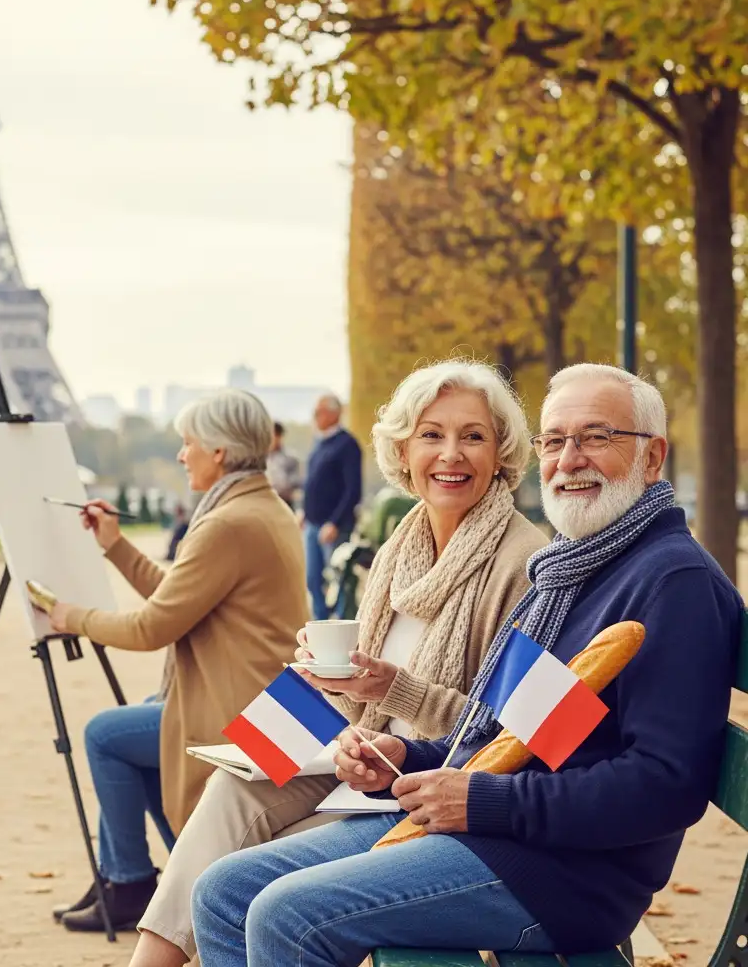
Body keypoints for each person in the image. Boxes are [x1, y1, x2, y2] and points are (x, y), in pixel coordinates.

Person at [190, 363, 743, 966]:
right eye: (554, 440)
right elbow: (514, 738)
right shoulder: (568, 569)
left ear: (653, 457)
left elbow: (665, 788)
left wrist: (479, 800)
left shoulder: (671, 582)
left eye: (596, 436)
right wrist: (411, 755)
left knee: (284, 913)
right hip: (486, 827)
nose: (570, 457)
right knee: (223, 890)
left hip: (562, 874)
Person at [127, 359, 548, 967]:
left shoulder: (522, 563)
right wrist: (305, 694)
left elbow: (510, 738)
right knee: (232, 783)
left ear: (501, 453)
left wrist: (397, 689)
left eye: (473, 436)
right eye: (432, 434)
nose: (450, 454)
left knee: (241, 875)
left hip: (418, 786)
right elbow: (358, 696)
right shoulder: (402, 545)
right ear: (403, 450)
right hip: (360, 759)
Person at [37, 388, 309, 934]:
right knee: (132, 727)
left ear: (220, 452)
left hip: (241, 715)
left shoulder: (227, 523)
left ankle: (133, 883)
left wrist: (70, 616)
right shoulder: (262, 506)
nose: (182, 455)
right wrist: (116, 546)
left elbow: (153, 626)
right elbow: (181, 600)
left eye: (188, 444)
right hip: (276, 707)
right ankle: (141, 877)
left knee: (105, 735)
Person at [301, 394, 362, 619]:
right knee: (312, 579)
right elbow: (311, 483)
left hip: (333, 526)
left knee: (340, 580)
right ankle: (320, 627)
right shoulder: (319, 443)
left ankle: (343, 628)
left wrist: (335, 522)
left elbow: (352, 490)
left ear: (334, 414)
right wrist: (304, 513)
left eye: (319, 412)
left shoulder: (347, 445)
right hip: (312, 524)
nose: (315, 417)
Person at [265, 421, 300, 508]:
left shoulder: (290, 457)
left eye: (275, 436)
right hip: (265, 502)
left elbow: (295, 481)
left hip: (284, 502)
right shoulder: (261, 457)